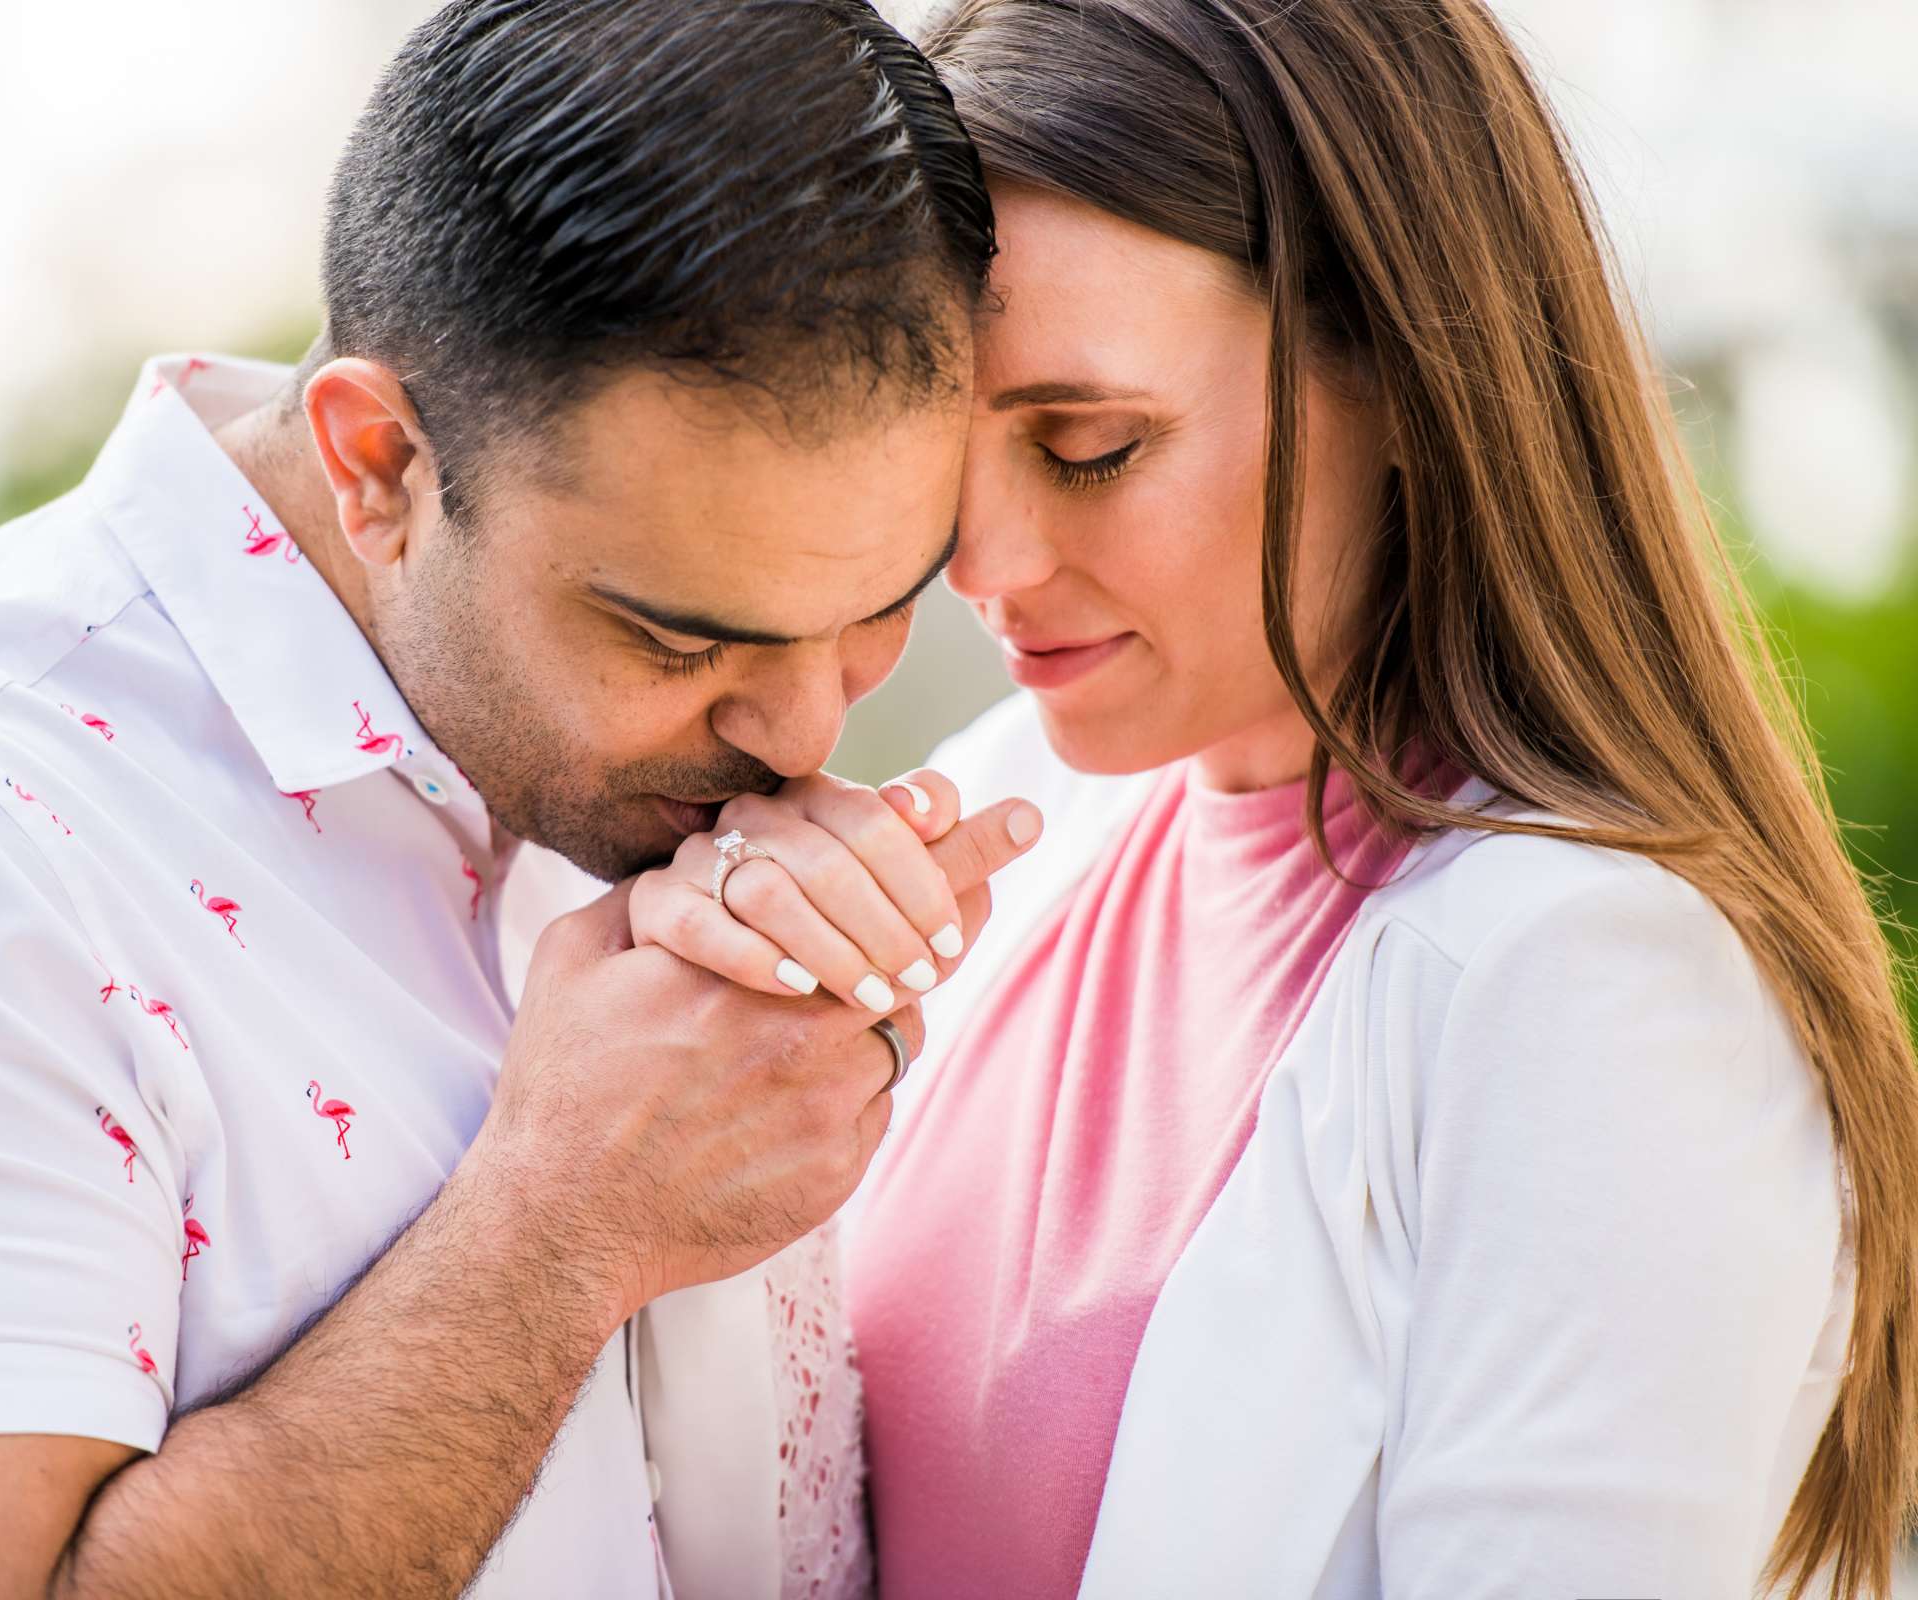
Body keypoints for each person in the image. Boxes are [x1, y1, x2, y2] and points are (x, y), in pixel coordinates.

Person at [0, 4, 1042, 1596]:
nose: (807, 725)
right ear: (379, 461)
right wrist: (559, 1230)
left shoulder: (624, 783)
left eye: (883, 604)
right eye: (679, 636)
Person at [627, 0, 1918, 1595]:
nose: (987, 568)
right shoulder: (1011, 821)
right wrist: (694, 954)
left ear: (1396, 364)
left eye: (1090, 445)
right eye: (945, 463)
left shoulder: (1589, 993)